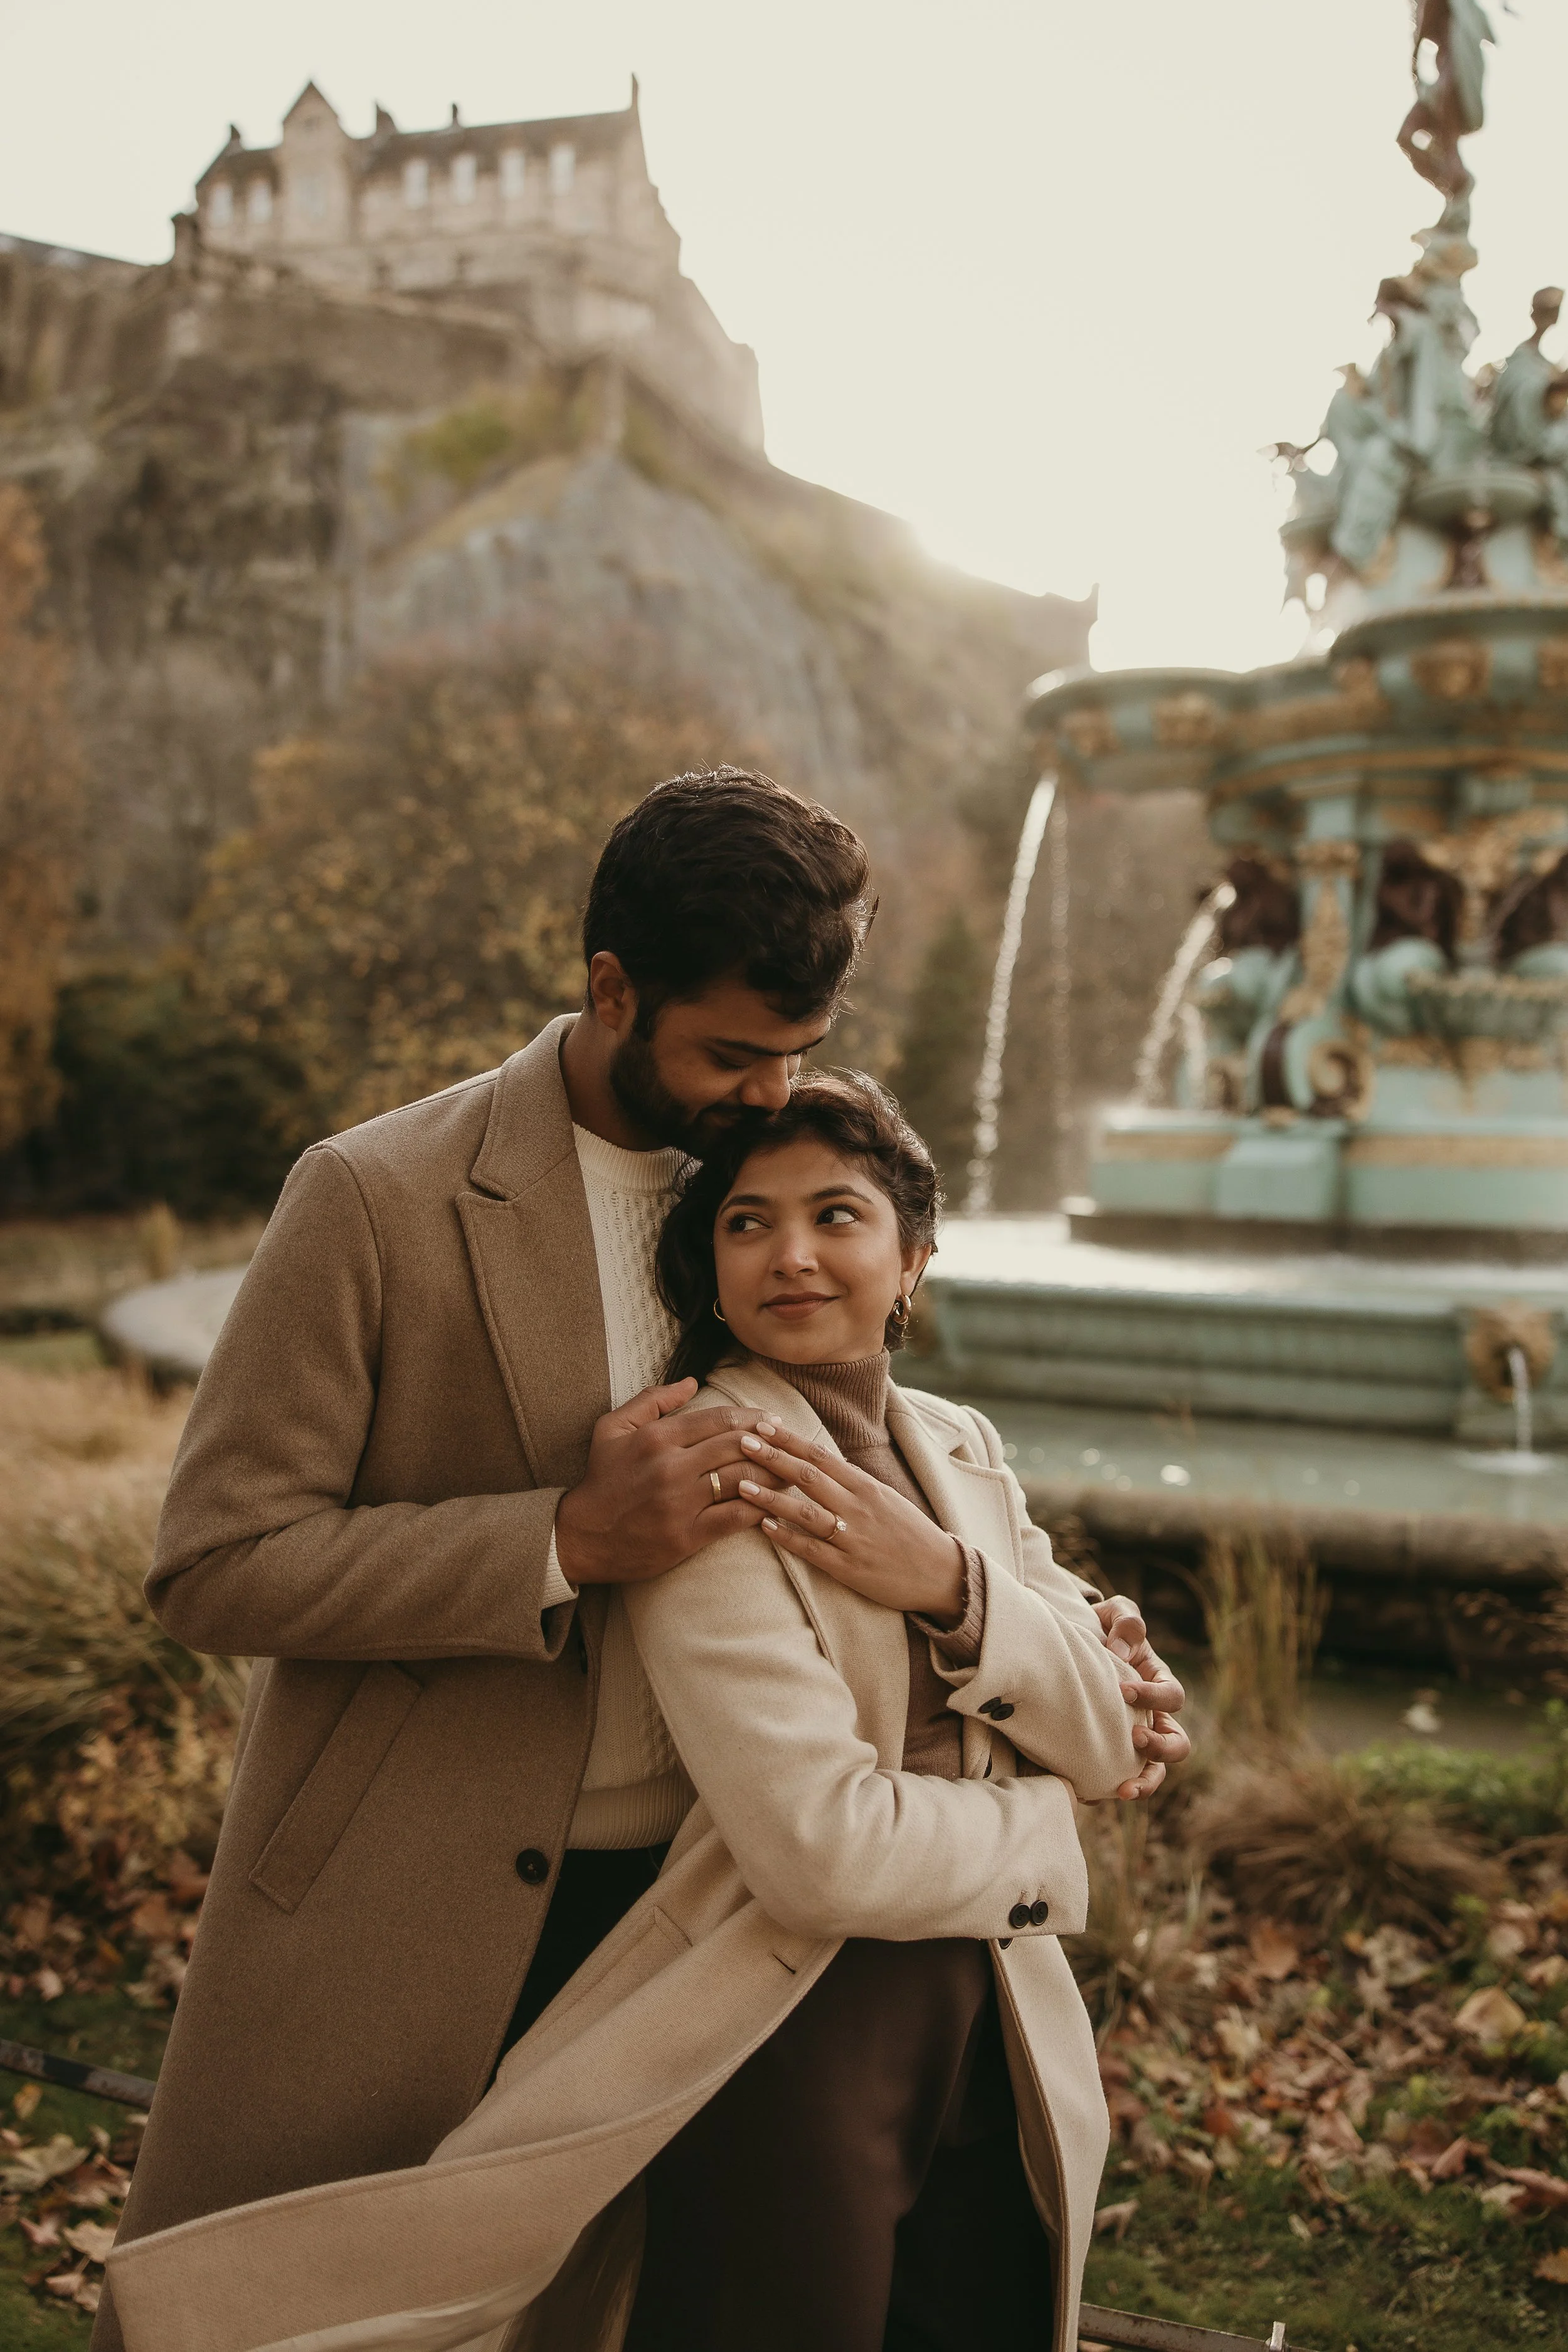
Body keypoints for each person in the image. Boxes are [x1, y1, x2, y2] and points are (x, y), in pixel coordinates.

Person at [98, 768, 1188, 2351]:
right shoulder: (373, 1198)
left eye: (794, 1058)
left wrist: (1036, 1619)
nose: (763, 1097)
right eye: (731, 1054)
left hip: (716, 1912)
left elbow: (885, 1435)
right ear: (610, 987)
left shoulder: (753, 1197)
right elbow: (215, 1565)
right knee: (332, 2313)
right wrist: (559, 1540)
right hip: (414, 1896)